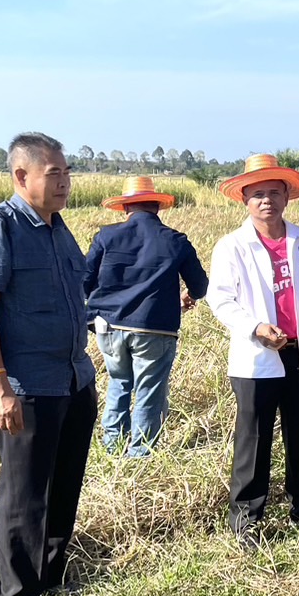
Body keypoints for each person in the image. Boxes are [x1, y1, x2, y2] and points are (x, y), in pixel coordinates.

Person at [0, 132, 97, 596]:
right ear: (22, 176)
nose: (64, 183)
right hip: (26, 387)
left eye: (67, 173)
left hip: (73, 381)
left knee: (63, 487)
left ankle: (49, 584)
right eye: (53, 174)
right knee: (23, 496)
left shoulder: (59, 228)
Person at [207, 154, 299, 547]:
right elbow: (220, 299)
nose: (267, 201)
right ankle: (246, 518)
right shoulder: (232, 245)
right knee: (253, 439)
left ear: (287, 198)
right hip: (256, 356)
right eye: (258, 194)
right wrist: (256, 328)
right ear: (245, 199)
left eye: (274, 193)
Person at [84, 175, 209, 457]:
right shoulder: (175, 241)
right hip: (155, 327)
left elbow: (83, 281)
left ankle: (113, 445)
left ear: (126, 208)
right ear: (156, 207)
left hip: (109, 325)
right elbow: (200, 286)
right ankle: (140, 452)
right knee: (149, 390)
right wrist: (188, 297)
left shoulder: (106, 236)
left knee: (118, 382)